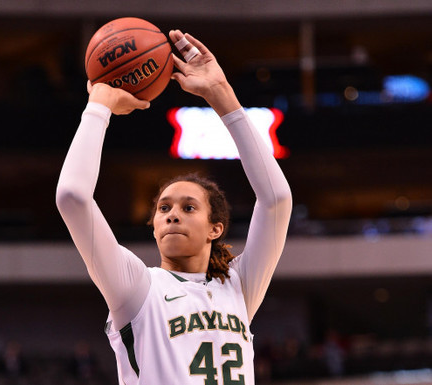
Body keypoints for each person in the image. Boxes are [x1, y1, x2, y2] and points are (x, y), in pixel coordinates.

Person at [56, 29, 292, 385]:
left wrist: (221, 94)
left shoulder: (238, 286)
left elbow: (276, 200)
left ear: (216, 228)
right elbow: (72, 197)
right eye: (163, 208)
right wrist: (99, 105)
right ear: (153, 225)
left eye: (188, 207)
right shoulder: (137, 287)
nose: (172, 214)